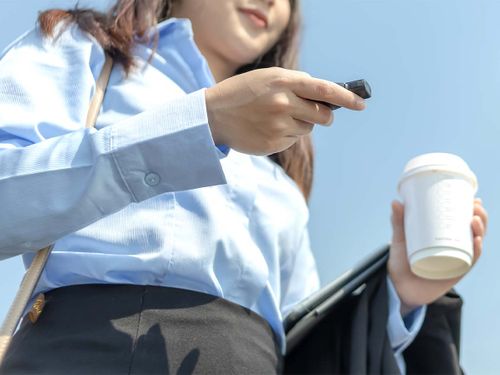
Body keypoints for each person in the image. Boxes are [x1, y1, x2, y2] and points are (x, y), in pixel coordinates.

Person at [0, 0, 488, 374]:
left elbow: (296, 335)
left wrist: (399, 295)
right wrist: (202, 124)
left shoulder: (279, 173)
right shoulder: (81, 48)